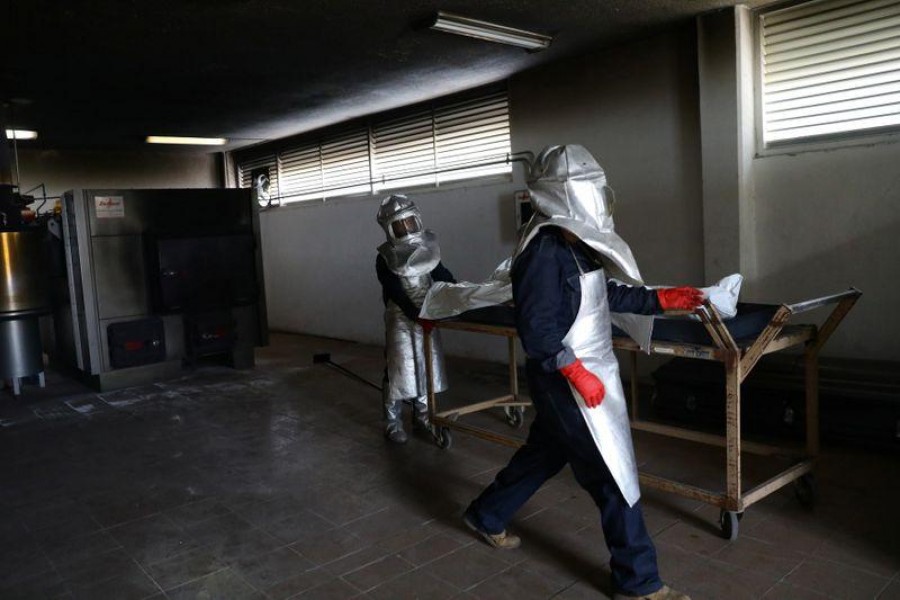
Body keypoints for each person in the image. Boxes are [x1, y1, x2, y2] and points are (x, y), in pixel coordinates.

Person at [463, 146, 701, 600]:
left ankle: (486, 514)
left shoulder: (577, 242)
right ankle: (638, 582)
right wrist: (575, 371)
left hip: (590, 372)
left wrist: (659, 299)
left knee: (545, 453)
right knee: (613, 476)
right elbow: (537, 331)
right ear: (564, 197)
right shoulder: (543, 253)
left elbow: (601, 294)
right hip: (566, 381)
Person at [376, 194, 456, 444]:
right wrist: (416, 315)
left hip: (426, 314)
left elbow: (442, 274)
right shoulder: (385, 257)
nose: (406, 228)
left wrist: (457, 292)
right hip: (401, 318)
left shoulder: (429, 248)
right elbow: (396, 292)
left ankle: (422, 417)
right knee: (399, 370)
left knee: (426, 366)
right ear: (390, 229)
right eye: (399, 224)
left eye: (409, 222)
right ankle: (392, 421)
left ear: (417, 220)